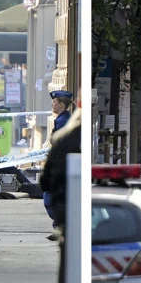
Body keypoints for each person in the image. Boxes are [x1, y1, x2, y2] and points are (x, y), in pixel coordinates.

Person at [41, 105, 81, 248]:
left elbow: (46, 179)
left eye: (54, 102)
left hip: (65, 203)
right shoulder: (69, 128)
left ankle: (59, 227)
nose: (52, 105)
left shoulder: (67, 135)